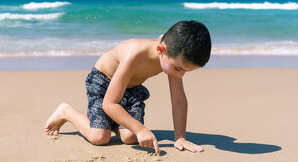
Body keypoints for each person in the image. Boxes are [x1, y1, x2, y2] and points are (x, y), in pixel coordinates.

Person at [45, 20, 211, 154]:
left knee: (130, 137)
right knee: (100, 137)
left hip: (131, 89)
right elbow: (109, 104)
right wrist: (140, 129)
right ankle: (66, 111)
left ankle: (114, 123)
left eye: (186, 71)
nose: (180, 75)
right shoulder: (134, 55)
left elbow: (179, 100)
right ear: (161, 50)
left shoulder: (171, 55)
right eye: (178, 69)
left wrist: (180, 137)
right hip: (103, 82)